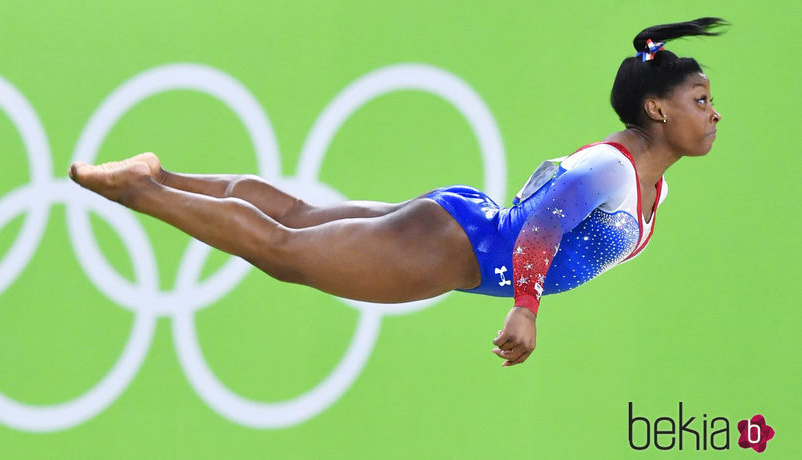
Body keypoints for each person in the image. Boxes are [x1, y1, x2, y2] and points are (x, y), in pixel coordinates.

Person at [69, 18, 726, 367]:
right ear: (656, 109)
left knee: (293, 225)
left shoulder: (650, 191)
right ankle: (142, 189)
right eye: (699, 100)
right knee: (282, 250)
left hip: (457, 233)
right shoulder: (610, 170)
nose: (713, 113)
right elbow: (540, 231)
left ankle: (159, 175)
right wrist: (525, 308)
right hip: (454, 249)